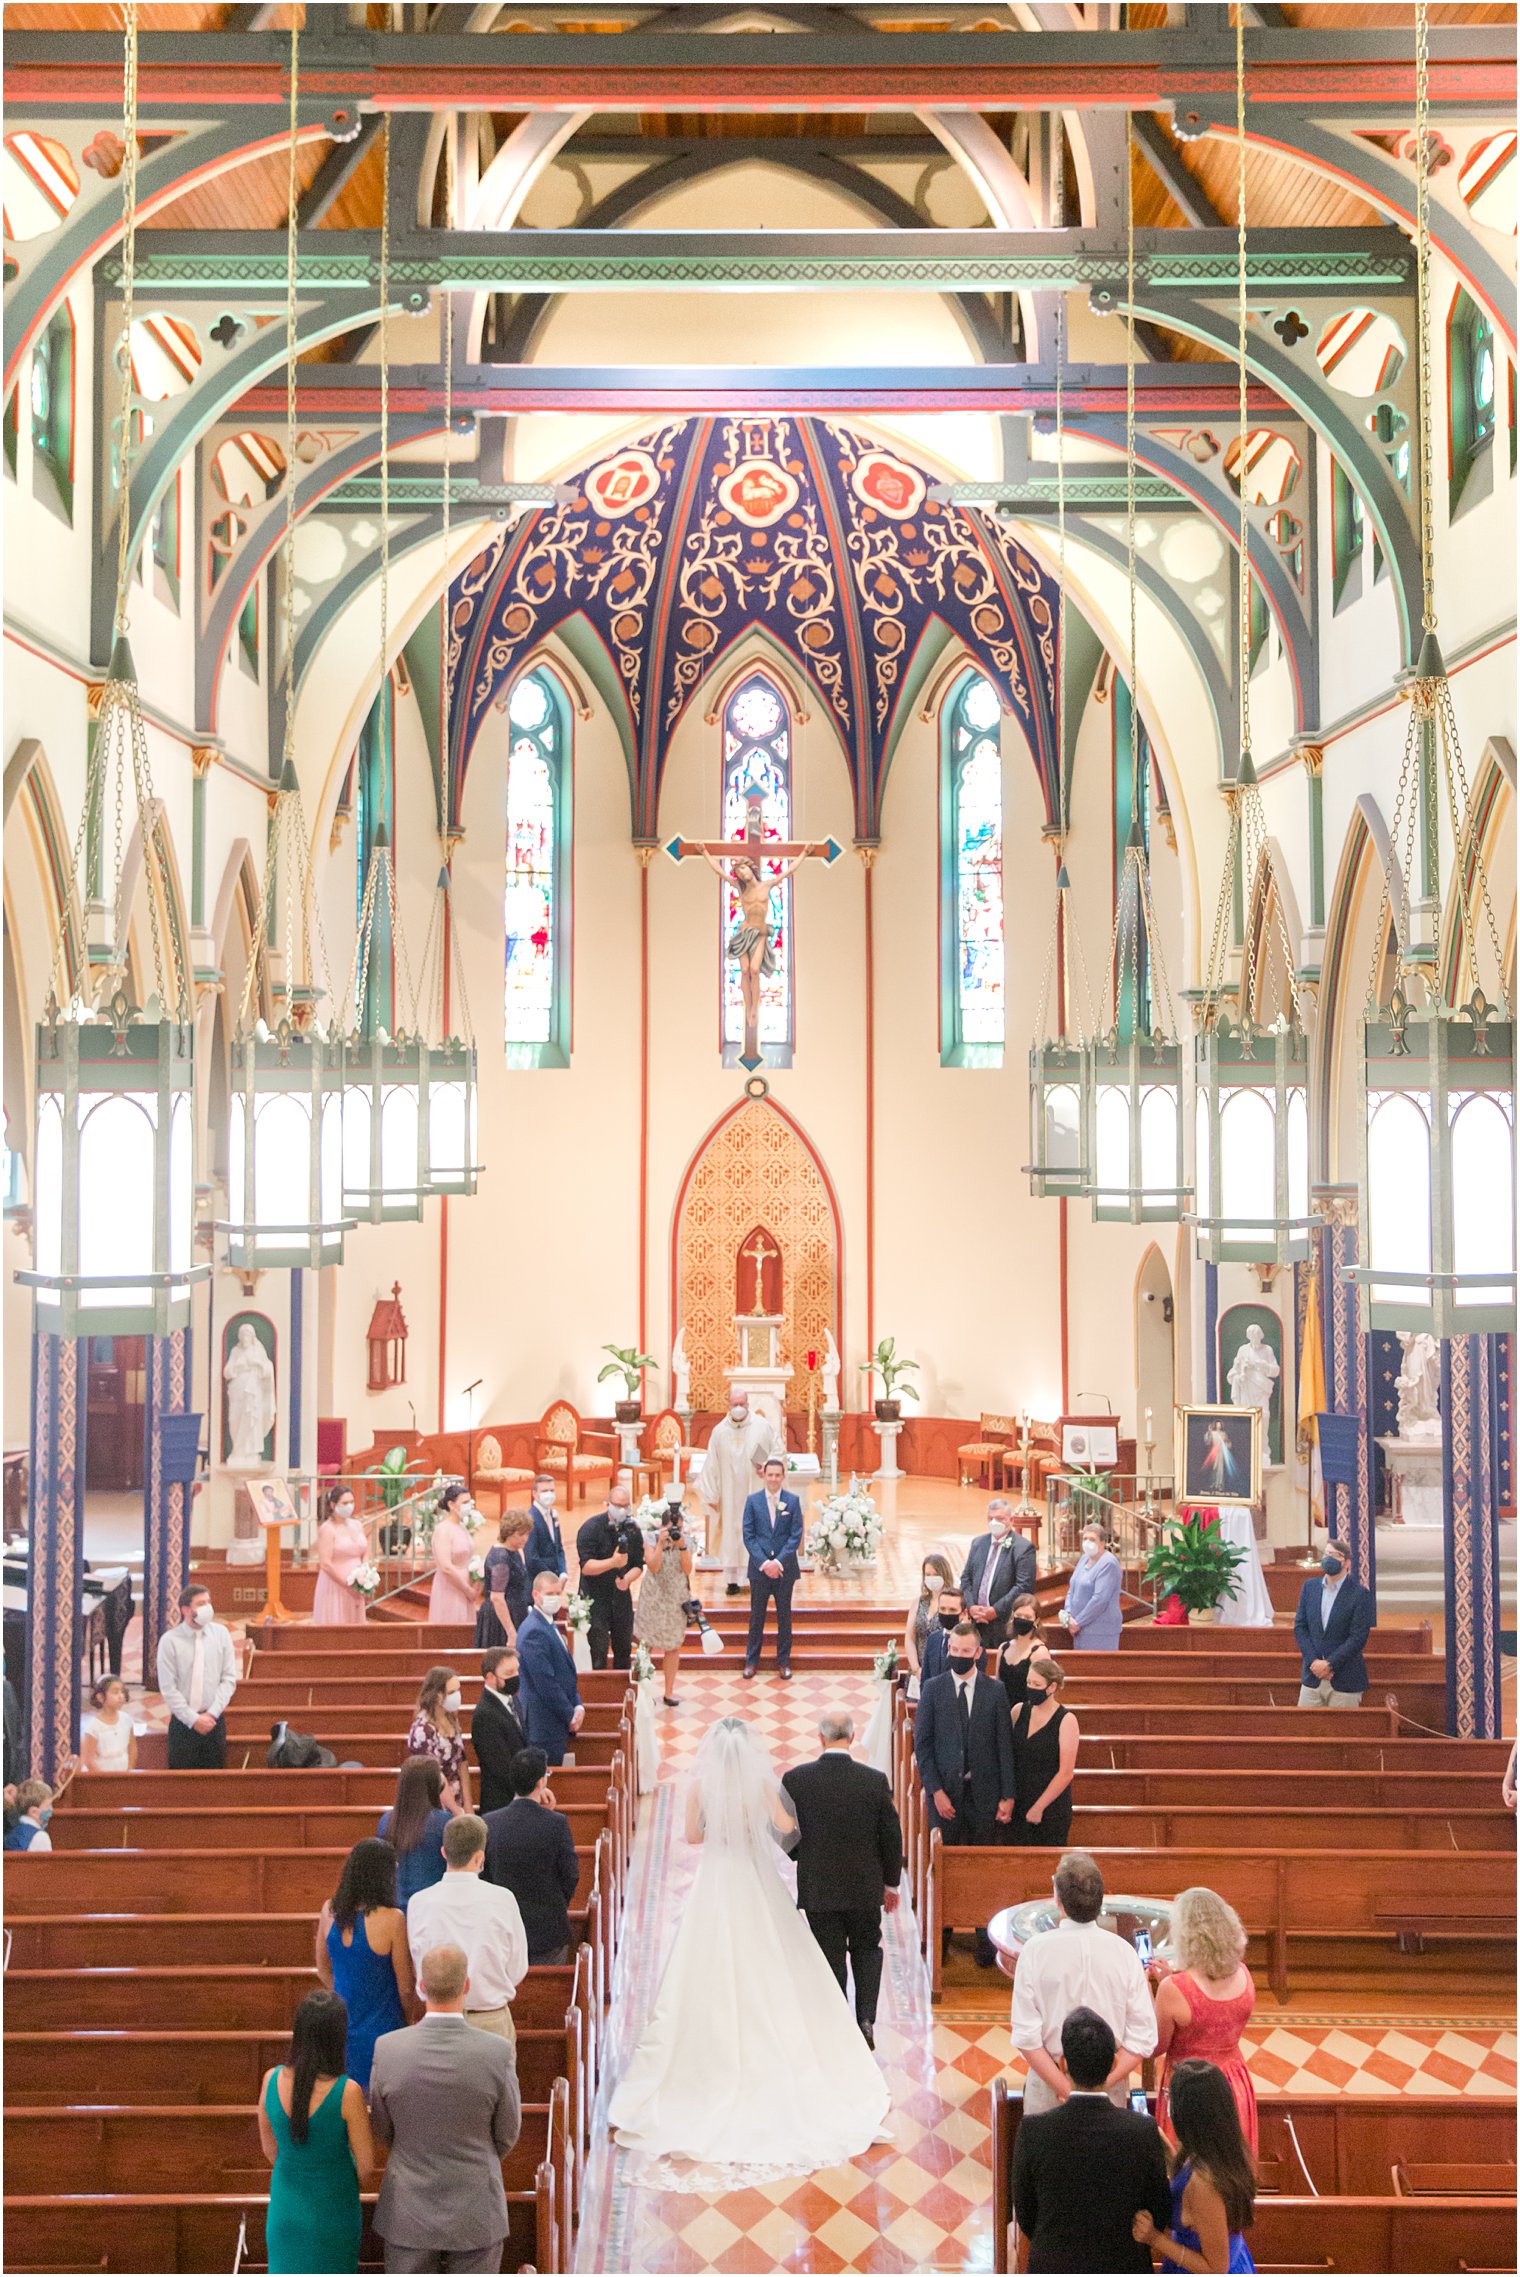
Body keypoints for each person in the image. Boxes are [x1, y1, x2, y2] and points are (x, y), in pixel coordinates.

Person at [608, 1715, 891, 2174]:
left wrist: (721, 1825)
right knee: (775, 1959)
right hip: (754, 1875)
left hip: (716, 1878)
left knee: (707, 1964)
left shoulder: (698, 1786)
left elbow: (693, 1837)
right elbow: (787, 1829)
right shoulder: (763, 1783)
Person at [369, 1942, 522, 2276]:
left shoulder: (388, 2048)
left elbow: (381, 2127)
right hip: (475, 2205)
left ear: (422, 1988)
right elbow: (508, 2132)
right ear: (466, 1985)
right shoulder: (496, 2052)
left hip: (408, 2208)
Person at [1012, 2006, 1172, 2274]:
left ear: (1063, 2064)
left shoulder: (1034, 2130)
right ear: (1112, 2064)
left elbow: (1026, 2213)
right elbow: (1160, 2209)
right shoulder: (1142, 2130)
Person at [781, 1710, 904, 2048]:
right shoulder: (874, 1780)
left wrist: (802, 1856)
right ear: (851, 1738)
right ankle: (865, 2019)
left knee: (829, 1954)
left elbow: (779, 1828)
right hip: (864, 1888)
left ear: (820, 1738)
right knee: (867, 1949)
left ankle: (836, 2024)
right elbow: (892, 1837)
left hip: (819, 1888)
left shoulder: (796, 1779)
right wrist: (890, 1884)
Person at [1008, 1850, 1158, 2111]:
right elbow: (1142, 2037)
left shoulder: (1035, 1950)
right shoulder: (1124, 1952)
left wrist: (1066, 2090)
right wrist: (1098, 2088)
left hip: (1050, 2089)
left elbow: (1027, 2036)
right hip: (1107, 2089)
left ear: (1057, 1898)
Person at [912, 1620, 1016, 1964]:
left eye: (964, 1651)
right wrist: (935, 1791)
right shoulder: (933, 1689)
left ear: (977, 1654)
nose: (957, 1656)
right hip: (945, 1797)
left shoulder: (995, 1691)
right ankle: (941, 1938)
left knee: (982, 1869)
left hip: (984, 1795)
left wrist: (1008, 1795)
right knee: (945, 1870)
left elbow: (1004, 1746)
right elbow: (923, 1748)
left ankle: (983, 1942)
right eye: (953, 1650)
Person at [257, 1987, 374, 2274]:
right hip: (333, 2212)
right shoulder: (347, 2092)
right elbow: (367, 2166)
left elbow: (269, 2148)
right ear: (338, 2037)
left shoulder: (270, 2079)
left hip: (286, 2209)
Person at [407, 1813, 528, 2045]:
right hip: (490, 2020)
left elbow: (418, 1963)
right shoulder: (502, 1899)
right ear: (480, 1857)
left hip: (437, 2021)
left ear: (444, 1852)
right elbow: (517, 1968)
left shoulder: (419, 1902)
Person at [1153, 1887, 1258, 2155]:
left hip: (1189, 2088)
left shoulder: (1173, 1988)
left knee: (1187, 2169)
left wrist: (1153, 1987)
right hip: (1232, 2085)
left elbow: (1156, 2046)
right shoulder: (1244, 1976)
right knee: (1229, 2166)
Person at [1135, 2057, 1258, 2275]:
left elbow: (1216, 2269)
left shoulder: (1204, 2185)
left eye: (1169, 2096)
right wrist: (1166, 2149)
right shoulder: (1223, 2147)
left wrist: (1154, 2238)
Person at [316, 1837, 414, 2094]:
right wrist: (408, 2017)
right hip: (384, 2028)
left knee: (348, 2107)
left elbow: (323, 1968)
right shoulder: (393, 1919)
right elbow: (405, 1987)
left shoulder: (329, 1910)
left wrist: (343, 1992)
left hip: (341, 2027)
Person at [482, 1746, 580, 1966]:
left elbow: (485, 1876)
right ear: (540, 1782)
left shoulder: (489, 1823)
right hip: (547, 1934)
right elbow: (571, 1875)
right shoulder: (557, 1824)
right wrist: (555, 1905)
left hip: (503, 1932)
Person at [695, 1392, 782, 1593]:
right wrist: (712, 1495)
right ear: (729, 1405)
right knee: (732, 1534)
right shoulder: (719, 1431)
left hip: (755, 1492)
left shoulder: (761, 1426)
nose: (738, 1407)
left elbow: (777, 1450)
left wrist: (767, 1466)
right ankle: (732, 1580)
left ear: (748, 1404)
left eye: (742, 1403)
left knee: (756, 1531)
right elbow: (711, 1465)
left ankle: (758, 1577)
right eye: (735, 1403)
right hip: (729, 1496)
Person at [156, 1582, 237, 1768]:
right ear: (186, 1609)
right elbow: (168, 1688)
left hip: (213, 1722)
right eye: (201, 1603)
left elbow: (229, 1679)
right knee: (182, 1786)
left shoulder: (221, 1634)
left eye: (208, 1602)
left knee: (213, 1785)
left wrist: (212, 1714)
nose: (207, 1607)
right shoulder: (170, 1641)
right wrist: (193, 1720)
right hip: (183, 1724)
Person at [741, 1454, 803, 1680]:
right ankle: (751, 1661)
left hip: (785, 1569)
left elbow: (795, 1535)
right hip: (759, 1570)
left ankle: (784, 1662)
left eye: (778, 1475)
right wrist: (765, 1563)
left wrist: (778, 1562)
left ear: (783, 1476)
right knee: (756, 1617)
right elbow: (748, 1536)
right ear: (764, 1476)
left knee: (784, 1617)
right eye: (770, 1475)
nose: (774, 1479)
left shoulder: (793, 1501)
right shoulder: (753, 1501)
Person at [1293, 1537, 1374, 1707]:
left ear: (1347, 1563)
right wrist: (1314, 1663)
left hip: (1344, 1679)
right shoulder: (1309, 1588)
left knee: (1342, 1732)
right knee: (1305, 1730)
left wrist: (1330, 1665)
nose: (1328, 1558)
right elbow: (1300, 1628)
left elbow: (1358, 1637)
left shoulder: (1360, 1595)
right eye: (1326, 1554)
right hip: (1312, 1678)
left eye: (1334, 1555)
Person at [1007, 1657, 1079, 1847]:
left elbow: (1065, 1773)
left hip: (1050, 1807)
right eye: (1029, 1682)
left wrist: (1039, 1807)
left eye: (1036, 1684)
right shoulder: (1018, 1711)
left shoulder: (1066, 1720)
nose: (1031, 1688)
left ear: (1052, 1687)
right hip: (1018, 1800)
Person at [576, 1478, 645, 1671]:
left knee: (623, 1650)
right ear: (608, 1504)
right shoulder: (591, 1528)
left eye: (626, 1505)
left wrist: (628, 1579)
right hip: (595, 1598)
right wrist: (613, 1562)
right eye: (617, 1505)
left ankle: (623, 1695)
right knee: (597, 1652)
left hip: (621, 1598)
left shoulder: (633, 1529)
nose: (622, 1509)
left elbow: (639, 1564)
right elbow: (586, 1567)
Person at [516, 1567, 583, 1766]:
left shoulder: (547, 1623)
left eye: (557, 1594)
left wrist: (577, 1704)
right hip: (543, 1723)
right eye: (549, 1594)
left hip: (554, 1720)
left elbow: (565, 1674)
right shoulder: (533, 1631)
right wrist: (570, 1714)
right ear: (535, 1595)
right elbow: (545, 1682)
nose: (554, 1598)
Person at [634, 1496, 696, 1706]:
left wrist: (682, 1546)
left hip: (676, 1597)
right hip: (654, 1596)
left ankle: (669, 1692)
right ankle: (644, 1690)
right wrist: (661, 1543)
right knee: (646, 1644)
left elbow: (687, 1568)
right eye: (671, 1528)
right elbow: (653, 1566)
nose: (674, 1532)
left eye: (678, 1528)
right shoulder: (650, 1538)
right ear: (662, 1526)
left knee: (673, 1646)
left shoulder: (686, 1540)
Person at [959, 1501, 1038, 1655]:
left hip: (1003, 1624)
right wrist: (971, 1606)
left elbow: (1023, 1587)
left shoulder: (1023, 1548)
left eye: (1000, 1518)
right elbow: (966, 1578)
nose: (994, 1522)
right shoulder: (978, 1543)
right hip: (976, 1622)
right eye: (991, 1518)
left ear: (1011, 1520)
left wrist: (995, 1610)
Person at [379, 1758, 453, 1910]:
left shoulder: (386, 1820)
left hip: (394, 1907)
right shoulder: (443, 1821)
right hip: (431, 1908)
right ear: (433, 1786)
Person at [471, 1647, 527, 1816]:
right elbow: (501, 1767)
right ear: (490, 1677)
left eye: (517, 1670)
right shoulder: (484, 1714)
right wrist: (530, 1789)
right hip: (500, 1805)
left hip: (517, 1800)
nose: (516, 1676)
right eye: (509, 1673)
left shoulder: (512, 1699)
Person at [407, 1666, 471, 1810]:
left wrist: (468, 1805)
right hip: (435, 1804)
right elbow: (435, 1776)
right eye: (451, 1692)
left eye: (458, 1690)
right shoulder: (422, 1730)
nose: (457, 1696)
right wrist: (456, 1811)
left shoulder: (451, 1718)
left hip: (457, 1800)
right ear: (436, 1695)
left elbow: (462, 1762)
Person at [313, 1482, 375, 1628]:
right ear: (334, 1505)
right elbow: (325, 1564)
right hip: (336, 1585)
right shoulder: (327, 1529)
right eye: (345, 1503)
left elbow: (364, 1549)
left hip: (356, 1583)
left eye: (352, 1502)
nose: (349, 1506)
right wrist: (347, 1585)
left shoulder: (357, 1525)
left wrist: (365, 1571)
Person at [1059, 1522, 1124, 1651]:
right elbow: (1072, 1588)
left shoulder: (1108, 1563)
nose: (1087, 1542)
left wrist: (1078, 1622)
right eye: (1085, 1539)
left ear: (1103, 1542)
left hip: (1100, 1630)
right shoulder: (1084, 1558)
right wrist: (1068, 1614)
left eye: (1092, 1539)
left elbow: (1100, 1599)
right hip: (1079, 1628)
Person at [474, 1510, 531, 1651]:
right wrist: (511, 1633)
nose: (525, 1539)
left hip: (515, 1611)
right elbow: (497, 1598)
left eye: (527, 1534)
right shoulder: (501, 1557)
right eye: (521, 1535)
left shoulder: (515, 1550)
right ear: (509, 1532)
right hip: (502, 1619)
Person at [904, 1552, 957, 1694]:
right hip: (918, 1670)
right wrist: (916, 1669)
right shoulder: (919, 1602)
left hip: (942, 1671)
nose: (931, 1578)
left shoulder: (953, 1603)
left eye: (935, 1574)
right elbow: (909, 1637)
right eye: (928, 1574)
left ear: (944, 1574)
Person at [428, 1481, 478, 1627]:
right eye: (465, 1502)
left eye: (470, 1501)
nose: (469, 1505)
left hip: (466, 1585)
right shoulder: (443, 1530)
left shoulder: (461, 1526)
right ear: (451, 1504)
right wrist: (467, 1589)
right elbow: (446, 1567)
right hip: (451, 1588)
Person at [994, 1593, 1047, 1712]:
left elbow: (1042, 1691)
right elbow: (998, 1685)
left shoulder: (1040, 1652)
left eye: (1027, 1617)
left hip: (1027, 1714)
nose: (1022, 1620)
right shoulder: (1003, 1648)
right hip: (1004, 1712)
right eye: (1018, 1615)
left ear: (1036, 1620)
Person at [80, 1673, 136, 1772]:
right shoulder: (94, 1727)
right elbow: (89, 1760)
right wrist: (104, 1780)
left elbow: (132, 1749)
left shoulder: (126, 1720)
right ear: (100, 1697)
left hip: (124, 1776)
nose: (121, 1696)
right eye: (115, 1692)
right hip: (102, 1780)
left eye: (122, 1692)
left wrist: (129, 1770)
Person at [522, 1475, 568, 1588]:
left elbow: (559, 1548)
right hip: (538, 1582)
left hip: (555, 1580)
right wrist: (551, 1579)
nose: (549, 1494)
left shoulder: (552, 1515)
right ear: (534, 1494)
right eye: (544, 1491)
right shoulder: (530, 1519)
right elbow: (531, 1558)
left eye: (552, 1490)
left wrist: (563, 1573)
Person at [918, 1582, 964, 1688]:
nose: (946, 1613)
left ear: (962, 1614)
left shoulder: (971, 1642)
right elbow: (925, 1678)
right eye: (942, 1609)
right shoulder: (933, 1639)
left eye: (952, 1610)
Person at [4, 1777, 53, 1851]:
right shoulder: (41, 1837)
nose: (51, 1809)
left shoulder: (12, 1833)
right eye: (48, 1806)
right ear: (34, 1812)